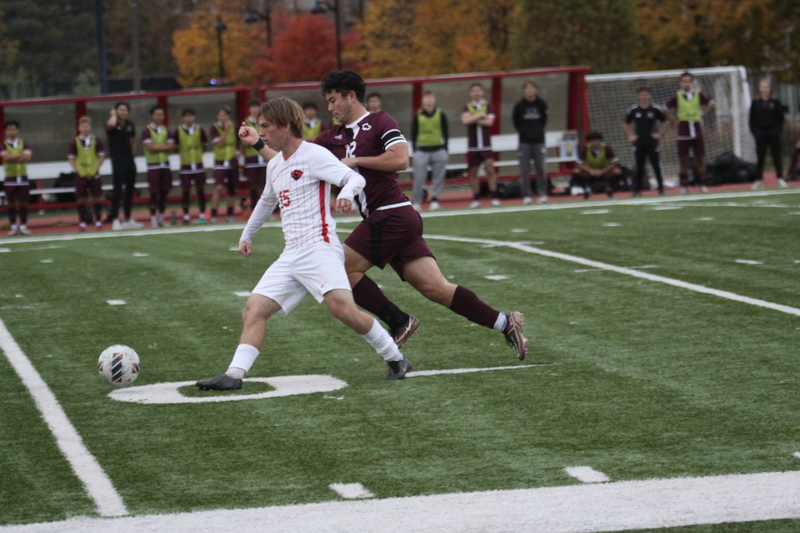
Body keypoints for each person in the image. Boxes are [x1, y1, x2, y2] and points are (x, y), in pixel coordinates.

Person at [196, 97, 411, 391]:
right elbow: (265, 202)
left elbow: (353, 179)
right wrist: (246, 236)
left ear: (286, 126)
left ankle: (395, 357)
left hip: (319, 247)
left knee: (343, 310)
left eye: (267, 127)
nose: (263, 133)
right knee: (254, 309)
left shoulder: (314, 155)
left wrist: (346, 193)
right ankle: (234, 375)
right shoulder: (276, 165)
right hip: (291, 255)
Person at [314, 70, 528, 360]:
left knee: (338, 268)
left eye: (333, 100)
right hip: (392, 219)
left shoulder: (380, 121)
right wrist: (261, 143)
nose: (330, 108)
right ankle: (506, 322)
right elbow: (297, 155)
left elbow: (401, 159)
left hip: (392, 214)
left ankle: (399, 320)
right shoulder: (334, 135)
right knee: (436, 289)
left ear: (351, 96)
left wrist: (357, 160)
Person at [664, 72, 715, 194]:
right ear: (680, 83)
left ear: (692, 83)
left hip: (696, 127)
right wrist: (674, 120)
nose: (686, 84)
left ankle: (702, 184)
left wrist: (703, 114)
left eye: (688, 81)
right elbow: (664, 109)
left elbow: (712, 104)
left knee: (700, 157)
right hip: (683, 128)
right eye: (684, 81)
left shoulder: (698, 94)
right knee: (683, 158)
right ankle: (684, 185)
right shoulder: (677, 96)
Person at [623, 87, 669, 196]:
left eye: (646, 94)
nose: (644, 97)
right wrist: (630, 135)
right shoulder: (634, 110)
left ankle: (661, 189)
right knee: (639, 166)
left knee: (656, 165)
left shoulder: (655, 109)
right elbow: (625, 123)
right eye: (641, 95)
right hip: (639, 142)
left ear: (650, 96)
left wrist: (659, 134)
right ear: (638, 96)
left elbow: (665, 122)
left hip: (652, 142)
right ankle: (638, 190)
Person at [105, 102, 143, 230]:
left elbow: (133, 139)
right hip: (118, 161)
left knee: (130, 189)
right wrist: (113, 115)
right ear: (116, 111)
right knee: (117, 190)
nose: (123, 112)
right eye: (121, 110)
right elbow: (110, 125)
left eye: (125, 110)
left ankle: (127, 218)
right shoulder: (113, 123)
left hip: (129, 161)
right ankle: (115, 218)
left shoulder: (130, 125)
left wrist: (131, 153)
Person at [462, 83, 500, 208]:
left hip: (486, 144)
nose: (476, 93)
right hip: (473, 145)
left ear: (482, 92)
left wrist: (474, 118)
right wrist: (480, 115)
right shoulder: (467, 107)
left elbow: (489, 122)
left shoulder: (488, 106)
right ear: (470, 93)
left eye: (478, 91)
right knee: (473, 172)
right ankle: (476, 198)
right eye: (473, 91)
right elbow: (465, 120)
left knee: (490, 169)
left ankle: (494, 196)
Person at [410, 90, 449, 211]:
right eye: (426, 97)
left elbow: (445, 131)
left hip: (438, 149)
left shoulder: (440, 114)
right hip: (422, 150)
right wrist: (415, 150)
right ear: (422, 100)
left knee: (439, 177)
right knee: (419, 177)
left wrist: (445, 148)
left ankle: (435, 199)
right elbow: (413, 133)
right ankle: (417, 200)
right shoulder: (418, 115)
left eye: (431, 97)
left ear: (435, 99)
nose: (429, 100)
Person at [512, 80, 549, 204]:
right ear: (524, 90)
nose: (530, 90)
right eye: (527, 88)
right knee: (524, 170)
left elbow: (544, 120)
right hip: (524, 142)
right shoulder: (519, 105)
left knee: (541, 168)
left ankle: (542, 194)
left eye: (532, 88)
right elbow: (516, 122)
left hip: (539, 141)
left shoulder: (541, 104)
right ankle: (526, 195)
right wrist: (525, 133)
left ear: (536, 89)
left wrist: (537, 132)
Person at [67, 116, 106, 231]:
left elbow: (101, 156)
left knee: (97, 197)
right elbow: (71, 158)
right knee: (81, 199)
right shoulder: (75, 142)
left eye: (87, 126)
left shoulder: (96, 140)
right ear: (79, 128)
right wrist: (77, 169)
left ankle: (98, 221)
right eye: (82, 126)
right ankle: (82, 223)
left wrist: (96, 167)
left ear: (90, 127)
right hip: (81, 174)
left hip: (94, 174)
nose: (85, 128)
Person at [749, 79, 787, 190]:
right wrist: (756, 132)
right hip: (760, 133)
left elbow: (781, 118)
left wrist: (777, 131)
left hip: (773, 133)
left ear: (770, 89)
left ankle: (780, 178)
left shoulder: (776, 102)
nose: (765, 89)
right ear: (759, 89)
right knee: (760, 157)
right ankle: (758, 180)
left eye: (767, 87)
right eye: (763, 86)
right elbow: (752, 120)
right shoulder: (755, 103)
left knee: (776, 156)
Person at [172, 108, 208, 224]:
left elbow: (204, 145)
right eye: (186, 116)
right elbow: (176, 148)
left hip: (198, 164)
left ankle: (202, 214)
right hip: (185, 165)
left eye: (191, 116)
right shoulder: (178, 131)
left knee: (200, 189)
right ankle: (186, 216)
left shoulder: (200, 130)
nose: (189, 118)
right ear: (183, 118)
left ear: (194, 117)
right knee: (186, 190)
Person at [141, 105, 174, 227]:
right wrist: (164, 147)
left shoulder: (166, 130)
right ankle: (152, 217)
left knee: (164, 191)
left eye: (161, 115)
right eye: (157, 114)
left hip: (165, 164)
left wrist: (157, 147)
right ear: (151, 116)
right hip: (153, 165)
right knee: (154, 191)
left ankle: (161, 216)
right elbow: (149, 147)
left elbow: (171, 146)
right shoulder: (146, 130)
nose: (159, 117)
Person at [1, 120, 32, 236]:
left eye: (13, 129)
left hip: (23, 176)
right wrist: (20, 155)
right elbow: (5, 158)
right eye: (9, 129)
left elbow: (28, 158)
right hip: (10, 177)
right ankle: (13, 226)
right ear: (5, 131)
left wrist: (12, 156)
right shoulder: (3, 145)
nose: (11, 131)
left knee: (24, 202)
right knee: (11, 203)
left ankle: (23, 226)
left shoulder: (24, 144)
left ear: (18, 130)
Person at [209, 106, 239, 223]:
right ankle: (214, 215)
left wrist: (238, 152)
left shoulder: (234, 127)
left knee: (232, 189)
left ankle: (229, 215)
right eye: (220, 115)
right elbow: (219, 143)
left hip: (232, 160)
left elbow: (239, 141)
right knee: (219, 187)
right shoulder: (214, 127)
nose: (223, 117)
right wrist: (226, 130)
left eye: (225, 115)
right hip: (220, 161)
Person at [573, 131, 621, 199]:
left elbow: (614, 162)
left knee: (617, 171)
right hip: (590, 172)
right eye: (592, 141)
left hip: (604, 171)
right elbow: (578, 163)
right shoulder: (586, 148)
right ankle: (586, 189)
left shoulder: (606, 148)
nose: (595, 143)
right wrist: (590, 170)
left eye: (596, 140)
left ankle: (610, 188)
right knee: (577, 171)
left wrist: (602, 171)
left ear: (600, 140)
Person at [243, 99, 268, 210]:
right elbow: (244, 141)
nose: (254, 109)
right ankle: (253, 207)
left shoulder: (265, 121)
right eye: (252, 107)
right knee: (253, 184)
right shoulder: (245, 123)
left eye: (257, 107)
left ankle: (268, 209)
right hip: (251, 157)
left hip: (264, 155)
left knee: (265, 183)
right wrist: (254, 140)